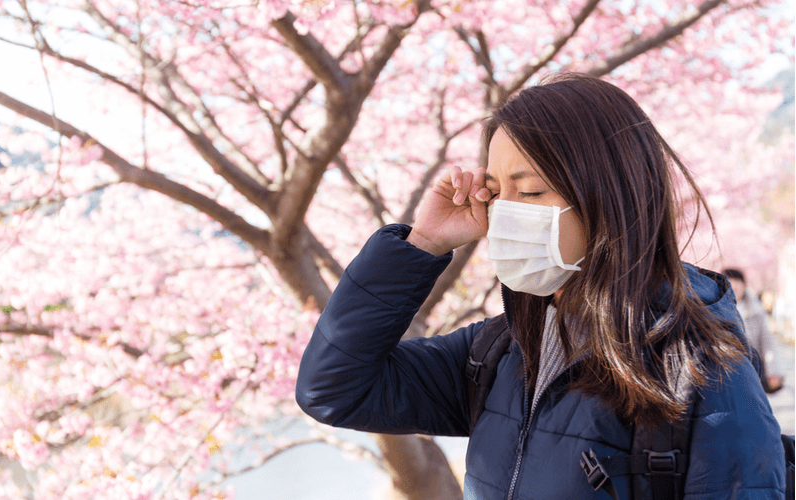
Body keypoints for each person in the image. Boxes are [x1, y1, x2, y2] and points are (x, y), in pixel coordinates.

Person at [296, 73, 786, 499]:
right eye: (494, 191)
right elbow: (333, 390)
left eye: (529, 191)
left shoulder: (699, 371)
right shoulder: (498, 354)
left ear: (609, 197)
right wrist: (421, 244)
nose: (503, 211)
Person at [722, 268, 785, 393]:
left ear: (744, 285)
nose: (733, 286)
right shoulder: (713, 311)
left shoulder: (756, 310)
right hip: (724, 373)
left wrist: (772, 371)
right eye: (729, 282)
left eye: (737, 282)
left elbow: (767, 342)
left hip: (752, 370)